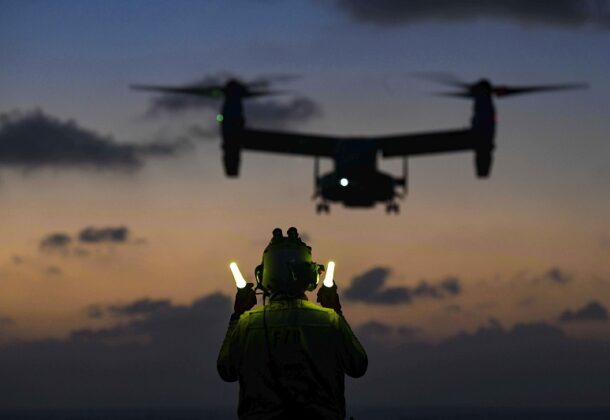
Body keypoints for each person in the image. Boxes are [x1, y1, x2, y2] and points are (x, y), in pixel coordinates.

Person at [217, 227, 368, 420]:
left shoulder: (246, 325)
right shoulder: (330, 322)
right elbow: (358, 366)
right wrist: (336, 312)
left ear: (262, 276)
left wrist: (237, 315)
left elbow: (226, 370)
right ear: (311, 276)